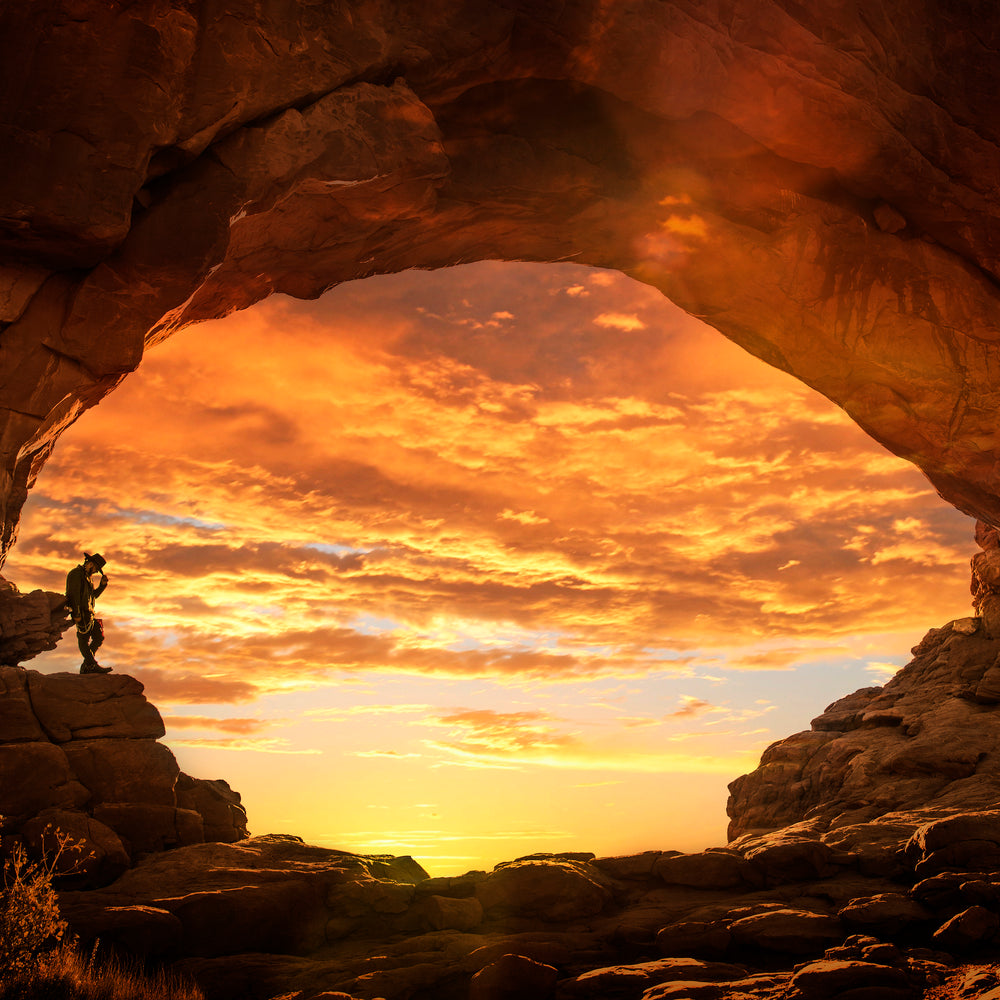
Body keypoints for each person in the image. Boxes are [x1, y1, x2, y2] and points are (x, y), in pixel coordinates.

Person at [65, 552, 111, 674]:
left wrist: (102, 586)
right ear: (90, 564)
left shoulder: (87, 578)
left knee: (98, 637)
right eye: (96, 568)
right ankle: (90, 665)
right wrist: (76, 614)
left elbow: (93, 596)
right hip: (82, 614)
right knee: (83, 640)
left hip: (89, 614)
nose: (95, 572)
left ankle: (87, 664)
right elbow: (73, 595)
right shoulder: (76, 574)